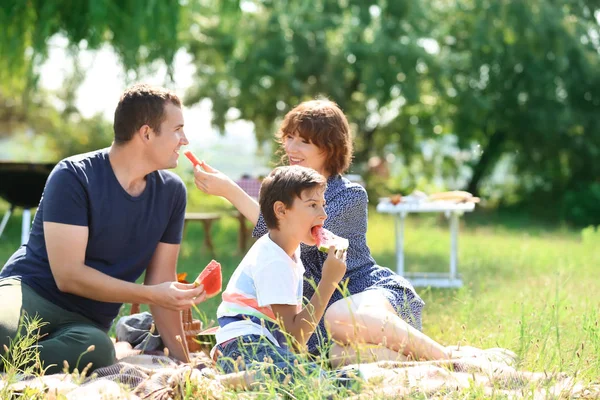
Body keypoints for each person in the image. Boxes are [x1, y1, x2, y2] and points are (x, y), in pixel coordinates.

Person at [193, 100, 452, 366]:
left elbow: (299, 236)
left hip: (363, 293)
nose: (291, 148)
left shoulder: (351, 196)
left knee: (340, 316)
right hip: (316, 311)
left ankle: (449, 358)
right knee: (337, 356)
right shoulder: (286, 191)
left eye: (303, 141)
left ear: (329, 148)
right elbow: (278, 233)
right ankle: (427, 364)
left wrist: (230, 190)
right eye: (290, 137)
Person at [0, 83, 207, 374]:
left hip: (86, 324)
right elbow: (68, 277)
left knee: (99, 351)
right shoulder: (73, 175)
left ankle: (13, 362)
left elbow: (161, 281)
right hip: (32, 294)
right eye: (177, 129)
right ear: (146, 133)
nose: (184, 140)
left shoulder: (171, 193)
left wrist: (184, 363)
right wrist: (151, 294)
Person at [213, 165, 347, 382]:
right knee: (319, 382)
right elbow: (295, 338)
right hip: (244, 346)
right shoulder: (273, 260)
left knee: (311, 376)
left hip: (261, 346)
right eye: (313, 205)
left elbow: (290, 339)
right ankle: (227, 381)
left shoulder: (287, 252)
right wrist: (329, 282)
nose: (323, 214)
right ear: (281, 210)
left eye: (322, 205)